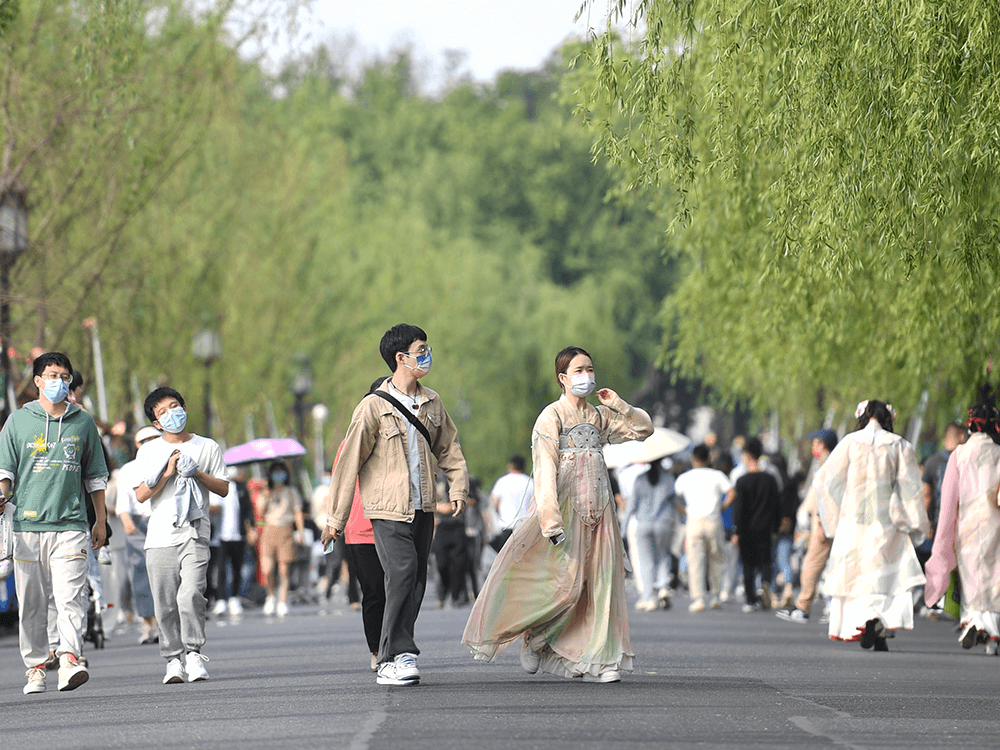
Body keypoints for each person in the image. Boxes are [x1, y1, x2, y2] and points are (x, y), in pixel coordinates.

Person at [462, 346, 653, 683]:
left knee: (602, 582)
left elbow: (643, 430)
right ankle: (535, 636)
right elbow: (545, 469)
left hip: (601, 508)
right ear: (563, 378)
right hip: (565, 508)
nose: (587, 376)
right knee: (566, 584)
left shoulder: (599, 416)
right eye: (579, 371)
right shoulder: (551, 416)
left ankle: (600, 660)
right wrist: (550, 520)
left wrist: (620, 405)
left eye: (590, 369)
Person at [321, 324, 469, 686]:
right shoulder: (372, 407)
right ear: (401, 357)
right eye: (421, 349)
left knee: (416, 579)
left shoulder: (433, 402)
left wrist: (458, 488)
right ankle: (393, 656)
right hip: (387, 509)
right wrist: (334, 520)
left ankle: (396, 653)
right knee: (402, 571)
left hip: (424, 507)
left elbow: (448, 448)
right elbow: (347, 465)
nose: (427, 354)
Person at [0, 352, 109, 695]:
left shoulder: (83, 422)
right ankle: (35, 668)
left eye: (64, 376)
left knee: (70, 598)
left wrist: (101, 521)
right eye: (51, 375)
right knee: (32, 602)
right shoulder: (18, 421)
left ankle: (70, 660)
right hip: (27, 527)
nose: (58, 382)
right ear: (36, 380)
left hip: (71, 525)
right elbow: (4, 472)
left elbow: (96, 477)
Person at [133, 387, 229, 684]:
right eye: (163, 412)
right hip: (160, 536)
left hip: (194, 531)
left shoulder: (207, 446)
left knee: (190, 595)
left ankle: (193, 653)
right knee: (164, 602)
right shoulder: (148, 450)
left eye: (175, 407)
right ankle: (172, 659)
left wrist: (197, 473)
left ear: (184, 408)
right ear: (157, 423)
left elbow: (223, 488)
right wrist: (168, 472)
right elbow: (140, 494)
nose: (171, 414)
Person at [816, 400, 928, 650]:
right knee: (884, 577)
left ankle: (863, 621)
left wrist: (833, 518)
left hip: (854, 521)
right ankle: (877, 625)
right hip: (886, 521)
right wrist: (913, 520)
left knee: (857, 576)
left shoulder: (849, 442)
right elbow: (910, 487)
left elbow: (825, 480)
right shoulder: (899, 445)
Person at [925, 400, 1000, 649]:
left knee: (972, 575)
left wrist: (944, 532)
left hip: (967, 524)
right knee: (993, 576)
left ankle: (973, 622)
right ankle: (990, 629)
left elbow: (948, 499)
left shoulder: (959, 454)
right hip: (995, 523)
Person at [776, 427, 838, 623]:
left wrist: (814, 516)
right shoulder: (829, 464)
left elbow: (824, 495)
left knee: (813, 565)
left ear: (824, 446)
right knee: (830, 565)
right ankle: (825, 607)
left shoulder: (829, 465)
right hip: (829, 522)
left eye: (816, 443)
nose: (813, 446)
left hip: (825, 523)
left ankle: (806, 607)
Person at [117, 425, 163, 644]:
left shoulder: (168, 463)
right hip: (138, 524)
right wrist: (126, 520)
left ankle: (165, 622)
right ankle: (147, 622)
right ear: (137, 445)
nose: (150, 443)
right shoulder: (128, 470)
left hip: (163, 521)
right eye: (145, 440)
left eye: (155, 438)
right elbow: (123, 502)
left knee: (165, 573)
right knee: (140, 573)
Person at [674, 443, 732, 612]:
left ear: (693, 459)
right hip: (713, 521)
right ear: (708, 458)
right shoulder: (717, 475)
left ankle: (698, 598)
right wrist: (722, 507)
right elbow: (731, 492)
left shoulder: (685, 477)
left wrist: (684, 511)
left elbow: (675, 497)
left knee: (695, 561)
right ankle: (715, 596)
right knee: (716, 558)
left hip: (694, 522)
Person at [727, 437, 780, 613]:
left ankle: (750, 600)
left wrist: (736, 531)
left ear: (747, 456)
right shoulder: (770, 480)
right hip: (766, 529)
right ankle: (764, 584)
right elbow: (776, 505)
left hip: (747, 530)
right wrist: (776, 526)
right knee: (766, 562)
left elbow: (739, 509)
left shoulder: (741, 481)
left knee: (748, 565)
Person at [624, 457, 676, 611]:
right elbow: (674, 501)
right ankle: (663, 588)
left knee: (646, 562)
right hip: (663, 523)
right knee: (662, 557)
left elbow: (632, 505)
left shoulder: (640, 479)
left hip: (643, 524)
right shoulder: (668, 478)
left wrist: (623, 527)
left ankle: (648, 597)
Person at [257, 460, 305, 617]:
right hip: (269, 530)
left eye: (281, 471)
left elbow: (298, 512)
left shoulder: (291, 491)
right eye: (275, 471)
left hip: (286, 530)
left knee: (284, 570)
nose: (279, 474)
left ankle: (283, 600)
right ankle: (271, 596)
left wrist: (301, 532)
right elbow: (260, 511)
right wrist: (265, 494)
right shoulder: (266, 491)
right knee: (267, 569)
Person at [917, 423, 967, 569]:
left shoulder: (931, 461)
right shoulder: (966, 461)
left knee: (937, 563)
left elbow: (926, 495)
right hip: (961, 522)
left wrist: (927, 522)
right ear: (962, 436)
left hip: (938, 520)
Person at [210, 467, 254, 616]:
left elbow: (248, 509)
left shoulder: (241, 488)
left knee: (237, 568)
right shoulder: (215, 488)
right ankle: (221, 600)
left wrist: (250, 529)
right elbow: (212, 507)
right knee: (221, 570)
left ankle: (234, 598)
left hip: (238, 536)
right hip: (220, 536)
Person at [488, 455, 534, 552]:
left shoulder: (502, 481)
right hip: (525, 526)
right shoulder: (530, 482)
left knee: (505, 559)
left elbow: (494, 503)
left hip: (506, 525)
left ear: (510, 466)